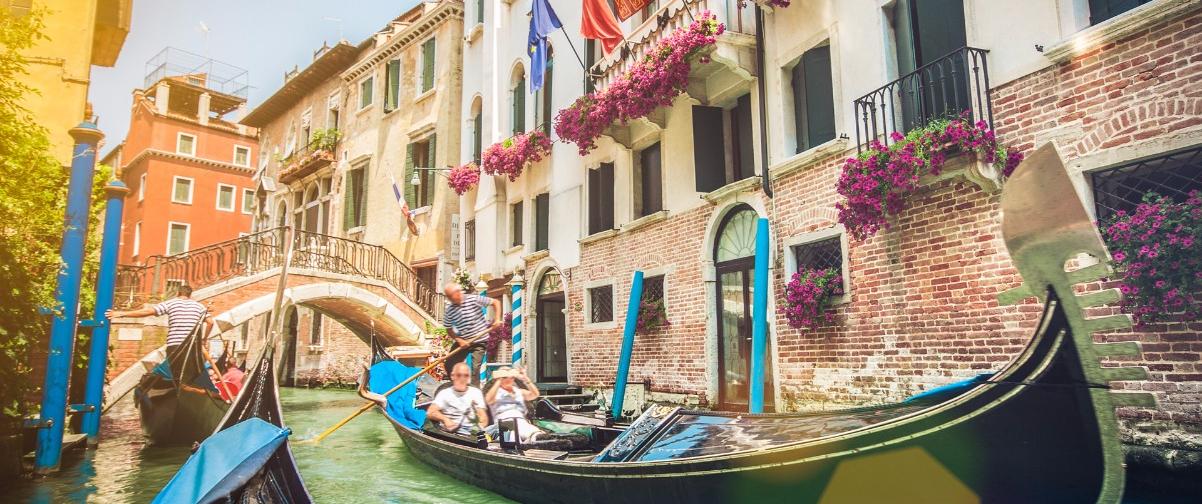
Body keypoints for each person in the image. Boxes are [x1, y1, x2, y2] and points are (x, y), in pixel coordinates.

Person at [107, 284, 215, 376]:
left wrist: (121, 314)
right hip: (192, 347)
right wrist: (204, 339)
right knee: (190, 375)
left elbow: (147, 312)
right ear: (190, 295)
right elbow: (210, 322)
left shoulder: (171, 303)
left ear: (178, 293)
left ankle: (177, 387)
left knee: (176, 374)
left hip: (175, 346)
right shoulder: (199, 306)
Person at [442, 283, 501, 386]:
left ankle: (474, 391)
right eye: (448, 297)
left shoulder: (473, 299)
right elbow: (448, 328)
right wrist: (459, 340)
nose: (449, 299)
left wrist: (497, 319)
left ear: (457, 293)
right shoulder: (450, 310)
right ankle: (457, 386)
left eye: (450, 296)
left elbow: (495, 302)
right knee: (449, 364)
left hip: (480, 340)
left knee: (475, 368)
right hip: (463, 340)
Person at [427, 363, 489, 435]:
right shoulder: (444, 393)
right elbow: (431, 412)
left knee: (500, 428)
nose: (462, 379)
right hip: (453, 431)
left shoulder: (476, 392)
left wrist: (477, 430)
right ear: (452, 376)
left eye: (465, 376)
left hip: (473, 431)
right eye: (459, 375)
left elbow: (483, 418)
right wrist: (445, 420)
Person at [485, 367, 542, 443]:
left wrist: (526, 379)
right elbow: (488, 400)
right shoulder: (496, 392)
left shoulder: (518, 391)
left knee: (537, 435)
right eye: (505, 377)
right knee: (512, 437)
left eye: (511, 377)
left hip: (521, 421)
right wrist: (498, 381)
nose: (509, 379)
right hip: (504, 422)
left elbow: (535, 394)